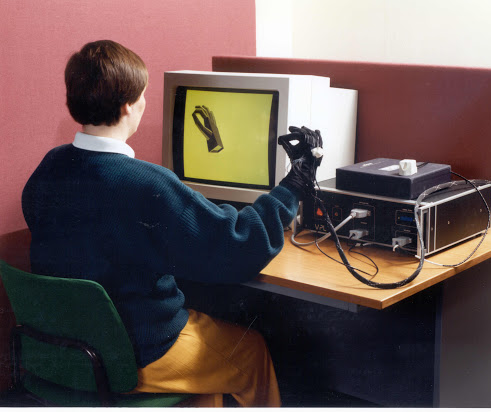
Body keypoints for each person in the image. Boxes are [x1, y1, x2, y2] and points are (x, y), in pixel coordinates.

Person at [21, 40, 322, 407]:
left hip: (67, 350)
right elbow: (239, 245)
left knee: (210, 375)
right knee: (251, 351)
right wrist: (293, 186)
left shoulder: (49, 167)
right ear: (129, 104)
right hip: (140, 353)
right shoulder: (146, 184)